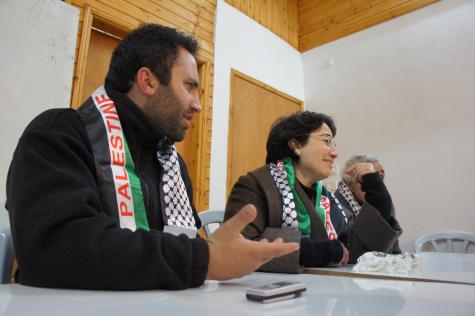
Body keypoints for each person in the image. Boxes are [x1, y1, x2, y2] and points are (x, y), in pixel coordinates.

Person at [5, 24, 298, 290]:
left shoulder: (173, 164)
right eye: (189, 87)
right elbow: (56, 248)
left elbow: (184, 246)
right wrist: (203, 258)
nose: (197, 105)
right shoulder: (58, 134)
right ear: (148, 81)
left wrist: (216, 254)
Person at [224, 111, 401, 273]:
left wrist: (375, 186)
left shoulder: (325, 197)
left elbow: (357, 250)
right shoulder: (255, 185)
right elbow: (237, 247)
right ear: (296, 145)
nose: (334, 153)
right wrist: (317, 251)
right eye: (326, 141)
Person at [335, 154, 401, 254]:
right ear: (350, 184)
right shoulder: (336, 206)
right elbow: (356, 252)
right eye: (368, 180)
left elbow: (395, 249)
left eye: (379, 180)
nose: (378, 187)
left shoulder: (385, 204)